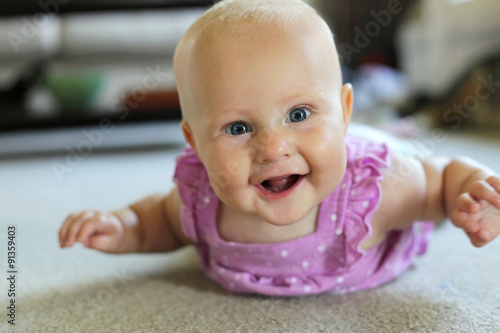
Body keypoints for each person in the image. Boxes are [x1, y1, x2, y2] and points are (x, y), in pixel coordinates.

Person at [58, 0, 500, 296]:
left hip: (373, 160)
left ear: (343, 112)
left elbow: (443, 178)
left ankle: (385, 131)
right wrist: (121, 227)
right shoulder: (201, 198)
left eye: (299, 114)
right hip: (331, 150)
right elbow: (159, 222)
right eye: (237, 127)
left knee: (415, 164)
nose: (271, 148)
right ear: (194, 142)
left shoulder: (375, 191)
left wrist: (476, 193)